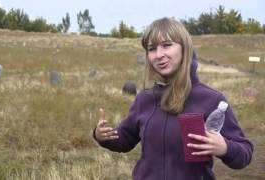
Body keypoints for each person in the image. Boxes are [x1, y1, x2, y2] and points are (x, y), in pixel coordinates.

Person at [93, 17, 253, 180]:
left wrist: (225, 148)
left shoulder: (212, 100)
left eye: (167, 45)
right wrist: (103, 136)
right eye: (152, 49)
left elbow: (244, 153)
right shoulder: (144, 99)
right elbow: (125, 139)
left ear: (185, 48)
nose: (159, 55)